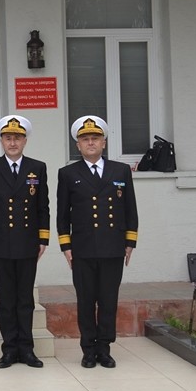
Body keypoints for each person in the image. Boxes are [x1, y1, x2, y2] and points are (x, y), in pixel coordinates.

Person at [56, 115, 139, 369]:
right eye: (85, 139)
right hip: (82, 249)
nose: (90, 143)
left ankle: (105, 348)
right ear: (78, 146)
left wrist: (130, 242)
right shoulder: (68, 173)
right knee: (85, 300)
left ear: (104, 143)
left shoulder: (120, 171)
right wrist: (66, 246)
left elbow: (130, 209)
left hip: (113, 247)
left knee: (108, 300)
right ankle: (88, 349)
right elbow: (62, 214)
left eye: (95, 138)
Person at [0, 115, 49, 369]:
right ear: (1, 141)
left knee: (25, 299)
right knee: (6, 300)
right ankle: (9, 349)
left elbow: (43, 206)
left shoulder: (37, 167)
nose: (13, 142)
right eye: (8, 138)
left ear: (25, 140)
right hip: (1, 243)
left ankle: (27, 350)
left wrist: (43, 238)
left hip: (28, 242)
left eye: (17, 137)